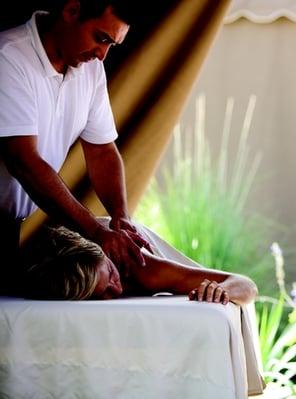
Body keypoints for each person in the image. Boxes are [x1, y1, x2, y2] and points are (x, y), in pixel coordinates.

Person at [0, 0, 148, 291]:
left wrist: (121, 217)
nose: (102, 55)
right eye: (101, 38)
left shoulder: (91, 70)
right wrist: (95, 231)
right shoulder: (8, 57)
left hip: (9, 228)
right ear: (70, 12)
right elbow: (23, 161)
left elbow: (102, 151)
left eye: (111, 45)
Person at [23, 225, 258, 303]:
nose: (117, 290)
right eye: (102, 293)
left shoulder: (142, 269)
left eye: (112, 276)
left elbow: (246, 285)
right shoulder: (51, 278)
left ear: (108, 257)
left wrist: (221, 290)